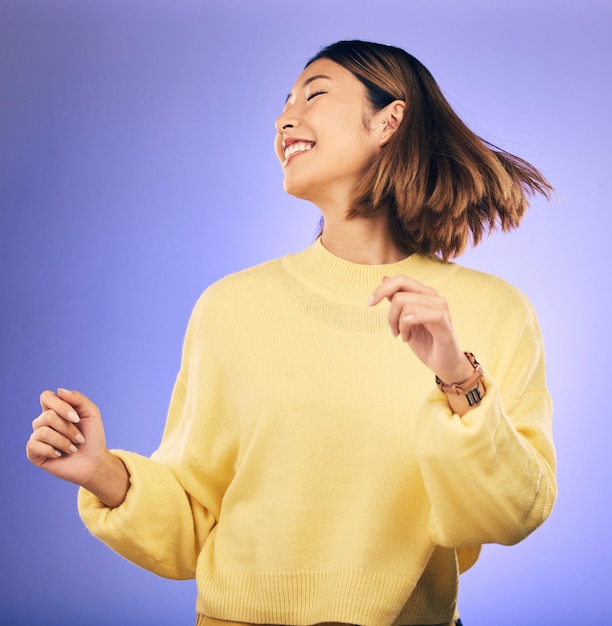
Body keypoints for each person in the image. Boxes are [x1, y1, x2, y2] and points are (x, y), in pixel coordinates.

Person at [26, 40, 557, 626]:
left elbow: (511, 515)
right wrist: (103, 472)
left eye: (315, 93)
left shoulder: (494, 311)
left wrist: (460, 379)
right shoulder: (230, 307)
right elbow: (195, 521)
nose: (285, 117)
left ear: (389, 121)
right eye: (284, 103)